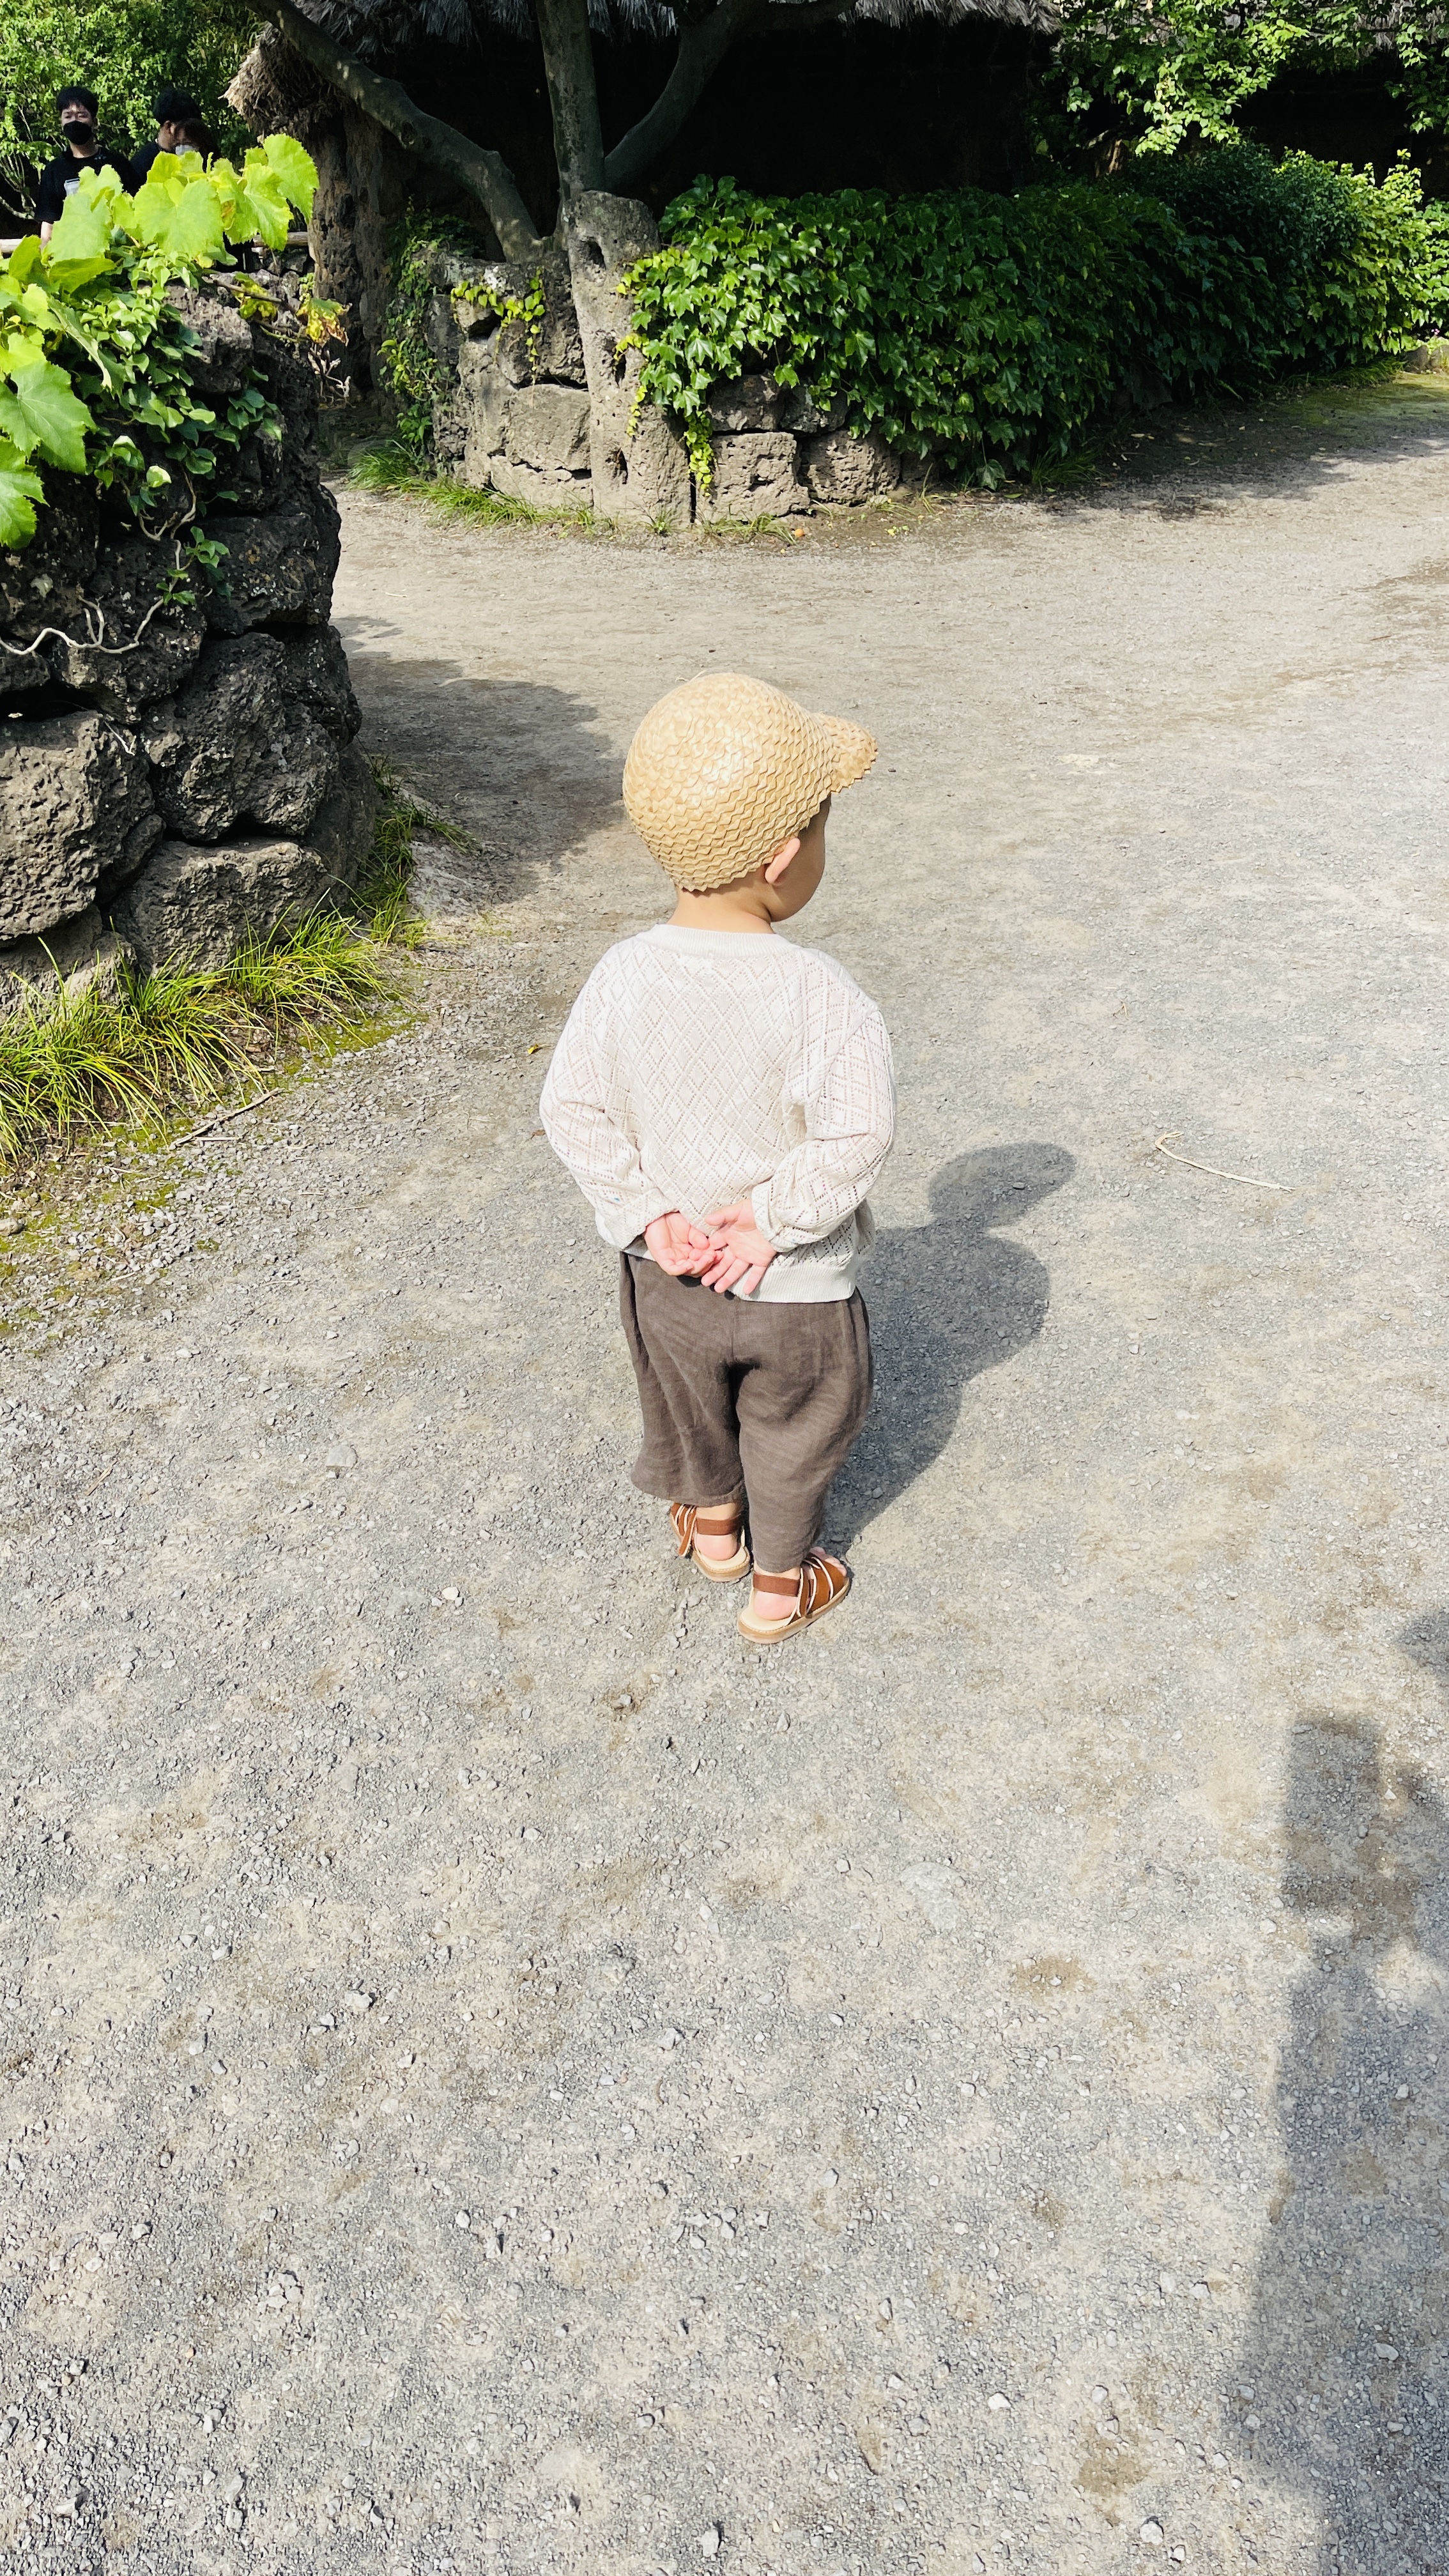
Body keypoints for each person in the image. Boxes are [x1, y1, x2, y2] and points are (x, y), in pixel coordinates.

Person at [540, 671, 895, 1644]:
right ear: (783, 859)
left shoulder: (621, 974)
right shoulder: (822, 992)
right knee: (796, 1427)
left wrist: (649, 1213)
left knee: (688, 1408)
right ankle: (779, 1587)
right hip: (796, 1292)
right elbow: (858, 1133)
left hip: (672, 1276)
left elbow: (570, 1106)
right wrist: (774, 1220)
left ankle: (712, 1532)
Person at [34, 88, 134, 237]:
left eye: (82, 116)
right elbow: (49, 225)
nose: (74, 122)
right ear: (61, 122)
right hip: (72, 246)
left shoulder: (116, 164)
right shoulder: (54, 171)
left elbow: (134, 208)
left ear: (95, 122)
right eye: (68, 116)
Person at [129, 86, 204, 184]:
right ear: (169, 127)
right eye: (189, 129)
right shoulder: (141, 166)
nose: (193, 135)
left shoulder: (195, 158)